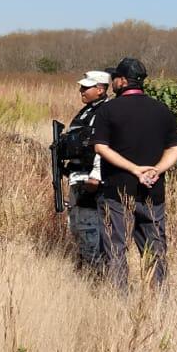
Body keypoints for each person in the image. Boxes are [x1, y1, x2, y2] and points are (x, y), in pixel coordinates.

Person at [90, 57, 177, 293]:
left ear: (122, 81)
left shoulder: (108, 109)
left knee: (116, 247)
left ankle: (119, 300)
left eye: (114, 79)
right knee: (155, 247)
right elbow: (176, 147)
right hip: (154, 191)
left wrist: (133, 170)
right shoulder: (161, 109)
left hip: (117, 192)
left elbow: (101, 147)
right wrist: (157, 170)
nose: (112, 83)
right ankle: (159, 297)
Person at [59, 70, 113, 273]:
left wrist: (96, 175)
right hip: (77, 175)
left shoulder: (104, 112)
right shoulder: (86, 111)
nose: (81, 90)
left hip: (90, 179)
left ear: (100, 89)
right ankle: (86, 267)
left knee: (89, 227)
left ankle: (97, 274)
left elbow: (102, 146)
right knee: (77, 225)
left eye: (86, 87)